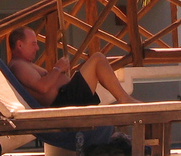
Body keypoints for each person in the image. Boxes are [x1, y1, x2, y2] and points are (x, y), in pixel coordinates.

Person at [7, 26, 139, 107]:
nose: (37, 48)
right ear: (20, 45)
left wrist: (60, 72)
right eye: (33, 44)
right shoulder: (18, 66)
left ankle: (124, 98)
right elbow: (43, 87)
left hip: (67, 97)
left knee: (97, 62)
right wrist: (58, 68)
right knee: (98, 59)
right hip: (64, 100)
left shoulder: (25, 64)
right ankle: (124, 99)